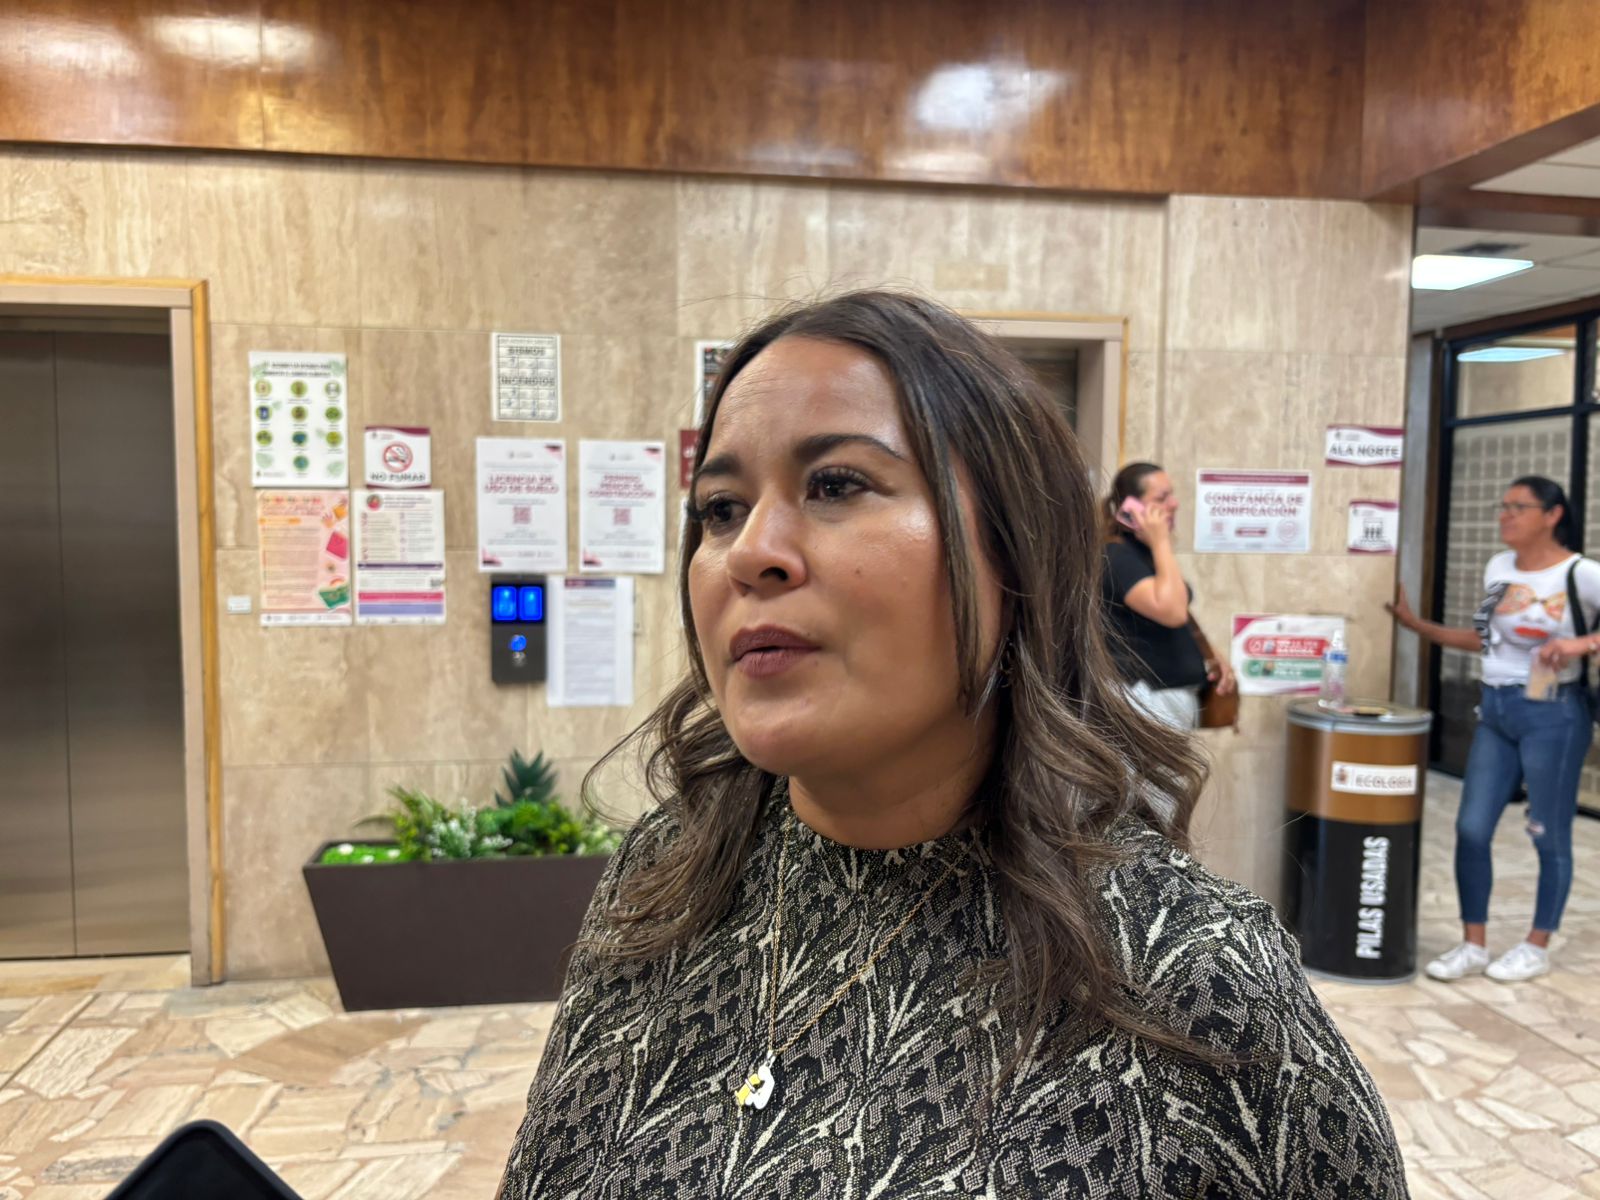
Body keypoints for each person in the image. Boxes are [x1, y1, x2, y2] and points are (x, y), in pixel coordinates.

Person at [498, 292, 1405, 1197]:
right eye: (722, 507)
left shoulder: (1196, 978)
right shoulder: (668, 872)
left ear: (1015, 554)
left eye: (836, 484)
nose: (749, 552)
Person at [1389, 475, 1599, 983]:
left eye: (1518, 507)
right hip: (1497, 709)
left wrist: (1582, 644)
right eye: (1502, 506)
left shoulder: (1582, 573)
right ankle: (1473, 944)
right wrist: (1418, 627)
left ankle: (1536, 945)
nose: (1506, 515)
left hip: (1554, 713)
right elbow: (1485, 638)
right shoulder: (1499, 567)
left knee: (1547, 832)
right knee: (1471, 827)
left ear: (1552, 514)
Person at [1100, 462, 1236, 728]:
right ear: (1131, 508)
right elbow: (1172, 611)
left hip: (1165, 700)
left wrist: (1208, 654)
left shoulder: (1143, 554)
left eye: (1171, 495)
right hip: (1147, 698)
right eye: (1161, 498)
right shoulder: (1117, 557)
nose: (1174, 504)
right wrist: (1161, 541)